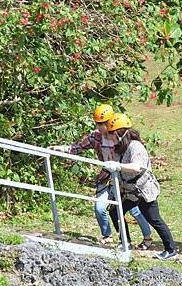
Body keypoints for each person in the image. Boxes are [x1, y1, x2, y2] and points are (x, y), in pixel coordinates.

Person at [49, 105, 153, 249]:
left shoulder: (121, 137)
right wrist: (62, 148)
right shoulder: (95, 137)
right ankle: (108, 236)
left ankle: (147, 238)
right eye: (97, 124)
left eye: (102, 124)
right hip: (106, 177)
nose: (99, 127)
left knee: (134, 210)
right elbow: (78, 148)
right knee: (100, 208)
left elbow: (136, 157)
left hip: (124, 179)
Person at [103, 113, 177, 260]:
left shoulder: (135, 147)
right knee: (114, 211)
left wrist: (118, 166)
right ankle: (126, 241)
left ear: (119, 132)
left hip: (144, 191)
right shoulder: (119, 149)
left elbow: (136, 167)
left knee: (154, 219)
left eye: (110, 133)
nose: (109, 137)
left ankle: (171, 249)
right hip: (130, 192)